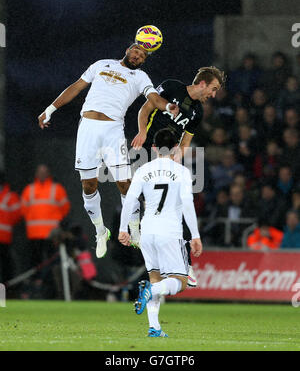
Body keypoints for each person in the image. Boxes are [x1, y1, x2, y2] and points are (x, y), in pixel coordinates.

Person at [38, 42, 179, 258]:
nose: (137, 56)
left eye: (142, 56)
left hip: (113, 130)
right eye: (136, 51)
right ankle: (101, 231)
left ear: (143, 60)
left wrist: (168, 106)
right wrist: (50, 109)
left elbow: (154, 99)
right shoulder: (101, 64)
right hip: (88, 127)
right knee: (88, 185)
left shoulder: (140, 77)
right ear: (127, 50)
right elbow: (76, 87)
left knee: (125, 184)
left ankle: (134, 231)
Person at [130, 66, 224, 285]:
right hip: (146, 150)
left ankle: (183, 263)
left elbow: (185, 142)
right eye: (213, 88)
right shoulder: (172, 86)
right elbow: (145, 108)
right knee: (145, 200)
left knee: (174, 205)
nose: (214, 94)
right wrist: (142, 132)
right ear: (202, 83)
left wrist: (176, 158)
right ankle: (136, 232)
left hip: (166, 158)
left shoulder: (197, 112)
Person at [119, 129, 202, 337]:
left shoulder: (143, 170)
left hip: (147, 231)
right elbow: (187, 203)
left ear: (154, 148)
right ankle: (150, 292)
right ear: (176, 148)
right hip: (170, 232)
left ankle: (154, 327)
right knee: (180, 282)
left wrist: (123, 228)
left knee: (155, 277)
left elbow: (129, 200)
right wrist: (195, 235)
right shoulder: (181, 171)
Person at [21, 164, 70, 272]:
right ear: (36, 174)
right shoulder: (29, 190)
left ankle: (50, 282)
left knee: (51, 260)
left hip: (51, 234)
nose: (42, 174)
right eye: (40, 172)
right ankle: (37, 282)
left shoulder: (57, 189)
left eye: (44, 172)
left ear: (48, 173)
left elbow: (65, 208)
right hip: (35, 234)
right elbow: (23, 209)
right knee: (36, 260)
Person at [0, 172, 21, 283]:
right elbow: (16, 215)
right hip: (4, 236)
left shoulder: (10, 197)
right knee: (5, 264)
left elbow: (17, 215)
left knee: (5, 264)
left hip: (4, 237)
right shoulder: (10, 197)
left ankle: (7, 287)